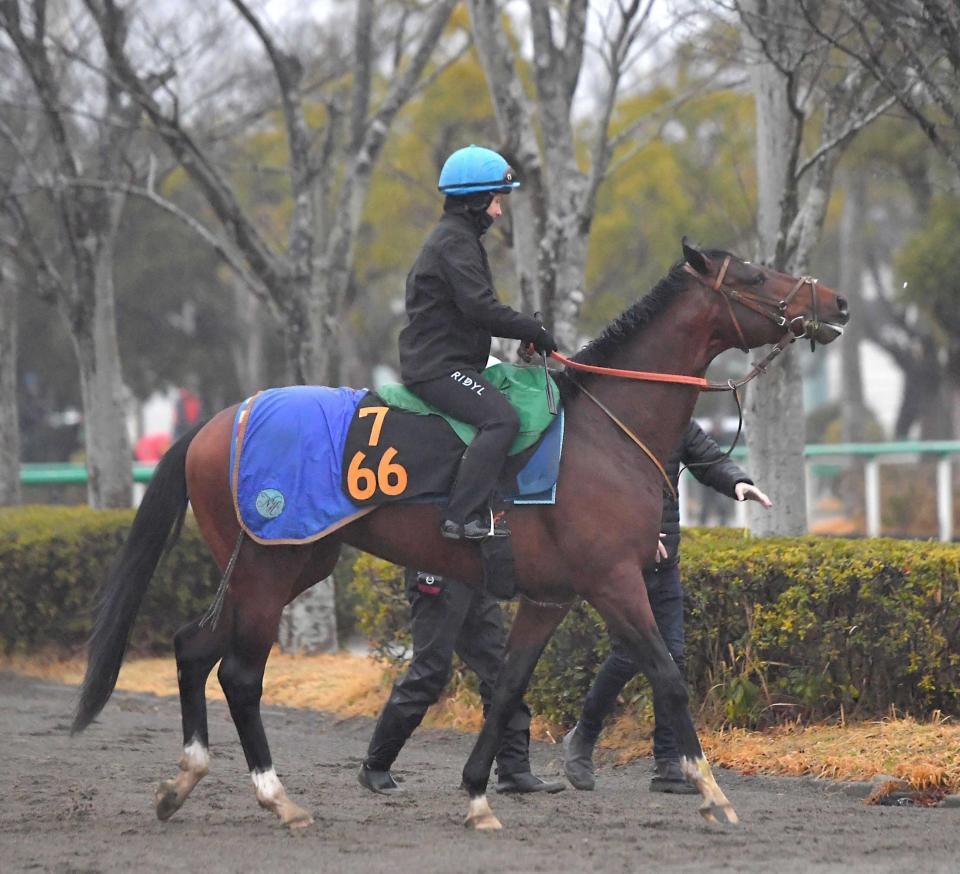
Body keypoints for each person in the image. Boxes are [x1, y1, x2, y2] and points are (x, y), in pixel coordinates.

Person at [562, 420, 772, 794]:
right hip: (623, 565)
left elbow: (709, 459)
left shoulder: (675, 417)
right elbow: (594, 492)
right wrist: (636, 532)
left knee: (671, 661)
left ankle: (668, 764)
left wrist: (737, 481)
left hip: (666, 565)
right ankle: (583, 737)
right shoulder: (612, 422)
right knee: (628, 657)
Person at [397, 145, 558, 541]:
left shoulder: (460, 238)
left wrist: (525, 332)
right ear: (475, 200)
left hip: (454, 363)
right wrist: (532, 330)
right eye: (496, 200)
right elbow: (481, 308)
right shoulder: (454, 242)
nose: (499, 211)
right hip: (438, 369)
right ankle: (460, 516)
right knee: (502, 420)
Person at [358, 568, 565, 796]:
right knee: (429, 671)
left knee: (501, 673)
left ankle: (515, 769)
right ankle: (376, 766)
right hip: (435, 569)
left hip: (473, 573)